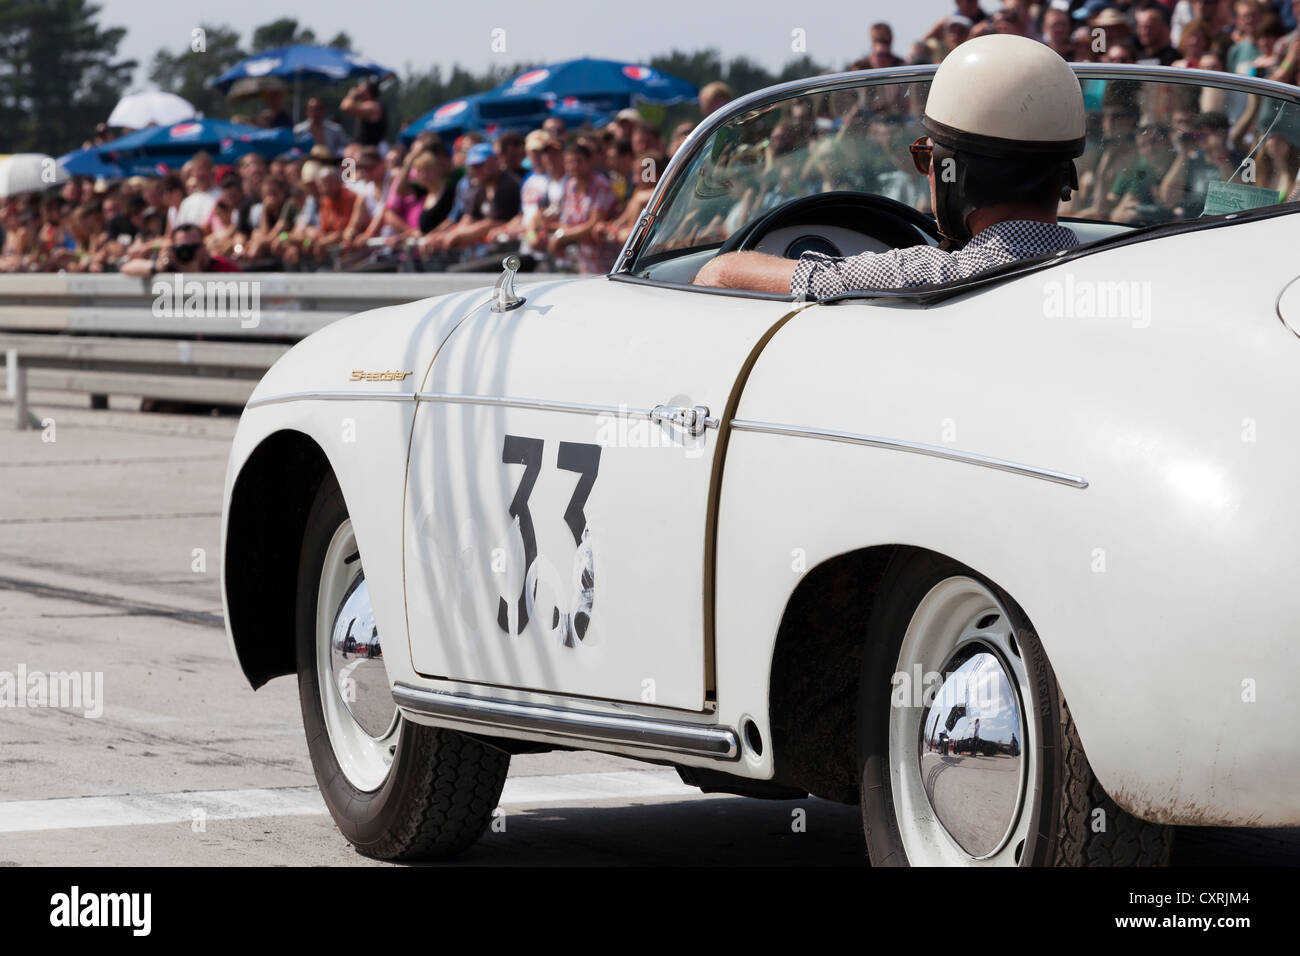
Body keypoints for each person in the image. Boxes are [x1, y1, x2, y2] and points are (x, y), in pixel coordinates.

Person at [693, 34, 1085, 296]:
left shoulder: (924, 274)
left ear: (954, 173)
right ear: (1063, 174)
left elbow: (720, 274)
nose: (927, 171)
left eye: (926, 157)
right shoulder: (1113, 273)